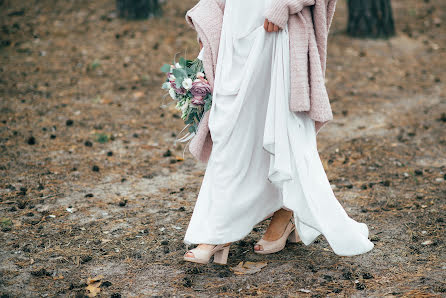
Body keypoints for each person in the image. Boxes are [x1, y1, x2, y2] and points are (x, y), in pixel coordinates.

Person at [182, 0, 374, 265]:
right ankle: (221, 229)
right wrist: (209, 13)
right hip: (236, 28)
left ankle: (275, 216)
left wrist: (286, 4)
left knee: (280, 128)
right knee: (229, 128)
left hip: (275, 30)